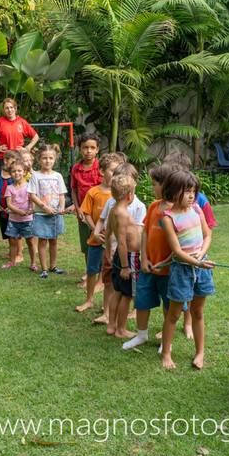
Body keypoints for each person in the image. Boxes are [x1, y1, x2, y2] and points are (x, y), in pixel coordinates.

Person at [160, 170, 215, 370]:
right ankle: (166, 353)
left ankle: (200, 353)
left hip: (201, 266)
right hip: (182, 270)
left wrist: (201, 255)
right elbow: (176, 250)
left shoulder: (197, 210)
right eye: (187, 191)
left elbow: (207, 235)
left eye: (193, 191)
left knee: (198, 312)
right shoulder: (168, 218)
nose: (192, 196)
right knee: (174, 314)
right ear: (173, 191)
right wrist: (196, 262)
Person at [122, 163, 179, 351]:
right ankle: (141, 335)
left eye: (155, 184)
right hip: (148, 267)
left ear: (166, 185)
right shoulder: (154, 206)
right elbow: (145, 232)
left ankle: (166, 341)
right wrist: (144, 258)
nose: (152, 187)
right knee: (142, 300)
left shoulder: (176, 211)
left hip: (168, 270)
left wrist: (165, 263)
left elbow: (180, 244)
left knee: (168, 305)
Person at [76, 153, 121, 313]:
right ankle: (89, 300)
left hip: (114, 243)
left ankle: (107, 306)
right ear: (102, 171)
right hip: (96, 240)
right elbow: (86, 213)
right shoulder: (93, 192)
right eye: (113, 171)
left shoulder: (121, 195)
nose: (117, 175)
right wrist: (95, 230)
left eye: (119, 172)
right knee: (91, 271)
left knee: (111, 274)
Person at [107, 174, 143, 339]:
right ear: (129, 195)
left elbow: (108, 232)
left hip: (120, 256)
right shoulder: (122, 214)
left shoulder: (114, 209)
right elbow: (122, 242)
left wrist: (108, 251)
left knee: (117, 292)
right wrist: (125, 267)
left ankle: (111, 325)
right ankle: (121, 329)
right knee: (126, 295)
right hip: (128, 258)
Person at [28, 144, 67, 279]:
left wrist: (61, 207)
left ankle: (53, 266)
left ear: (55, 160)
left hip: (55, 215)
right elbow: (32, 195)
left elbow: (61, 194)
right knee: (43, 241)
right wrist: (44, 207)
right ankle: (44, 269)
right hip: (41, 214)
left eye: (51, 158)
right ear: (39, 159)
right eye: (44, 158)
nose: (47, 161)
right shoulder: (35, 176)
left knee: (54, 240)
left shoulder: (58, 176)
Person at [70, 132, 102, 288]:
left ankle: (101, 277)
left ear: (97, 149)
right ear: (80, 149)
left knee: (100, 243)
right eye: (85, 147)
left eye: (92, 148)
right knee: (87, 245)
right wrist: (78, 209)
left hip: (99, 213)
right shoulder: (76, 168)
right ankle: (90, 272)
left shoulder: (101, 168)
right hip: (83, 214)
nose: (88, 151)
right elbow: (74, 190)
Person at [0, 98, 39, 165]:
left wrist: (27, 148)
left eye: (11, 107)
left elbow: (36, 137)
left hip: (18, 157)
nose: (9, 110)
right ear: (4, 110)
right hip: (4, 158)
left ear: (15, 108)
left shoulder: (22, 122)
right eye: (7, 108)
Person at [2, 161, 37, 270]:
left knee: (30, 242)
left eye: (19, 171)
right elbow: (9, 204)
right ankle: (12, 262)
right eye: (13, 171)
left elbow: (33, 200)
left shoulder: (29, 186)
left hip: (27, 220)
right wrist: (19, 211)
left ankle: (33, 263)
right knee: (13, 242)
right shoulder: (9, 188)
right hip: (13, 220)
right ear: (10, 173)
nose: (16, 173)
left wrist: (31, 209)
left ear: (25, 172)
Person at [0, 150, 19, 256]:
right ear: (5, 160)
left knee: (15, 232)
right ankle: (12, 252)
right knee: (7, 231)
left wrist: (13, 207)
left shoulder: (15, 175)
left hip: (14, 209)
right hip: (1, 209)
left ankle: (18, 253)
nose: (15, 164)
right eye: (13, 162)